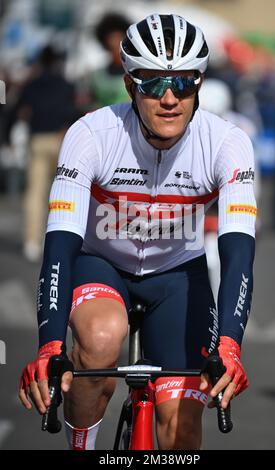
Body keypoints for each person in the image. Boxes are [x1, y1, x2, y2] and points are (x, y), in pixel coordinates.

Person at [19, 14, 256, 450]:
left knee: (181, 428)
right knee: (101, 338)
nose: (170, 99)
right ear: (130, 86)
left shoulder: (227, 143)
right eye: (152, 83)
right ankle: (83, 446)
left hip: (178, 274)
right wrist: (51, 346)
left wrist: (231, 345)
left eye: (184, 83)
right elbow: (60, 244)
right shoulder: (91, 133)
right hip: (101, 262)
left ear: (199, 84)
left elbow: (239, 250)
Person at [16, 45, 76, 262]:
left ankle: (32, 241)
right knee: (64, 193)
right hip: (63, 140)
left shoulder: (31, 85)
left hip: (38, 139)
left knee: (35, 192)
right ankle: (59, 241)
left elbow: (19, 111)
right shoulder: (67, 85)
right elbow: (75, 110)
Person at [88, 12, 131, 108]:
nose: (117, 51)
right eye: (112, 46)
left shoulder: (135, 74)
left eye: (119, 45)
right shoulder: (96, 76)